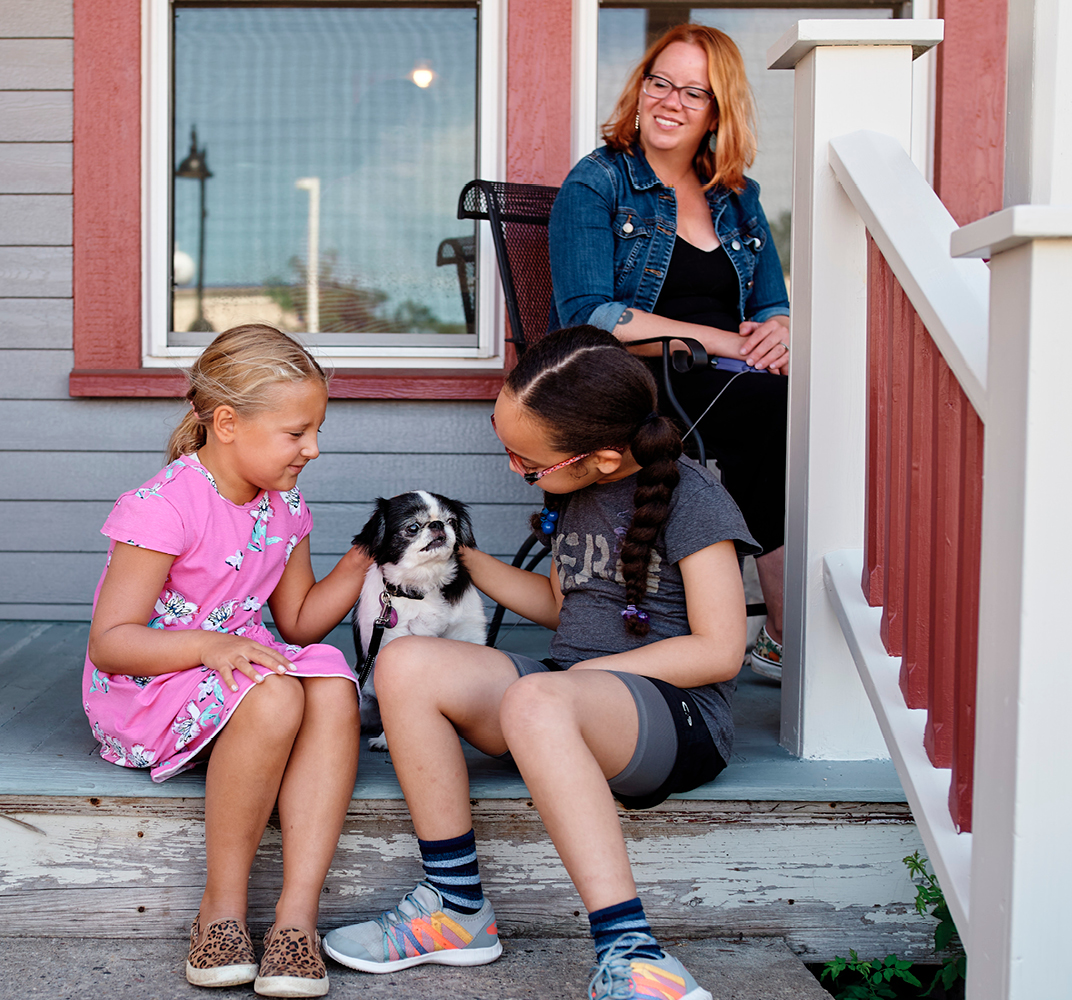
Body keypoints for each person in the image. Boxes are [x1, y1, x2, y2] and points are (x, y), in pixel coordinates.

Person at [323, 327, 759, 1000]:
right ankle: (455, 907)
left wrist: (581, 682)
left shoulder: (696, 499)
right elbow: (562, 607)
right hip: (562, 700)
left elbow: (721, 649)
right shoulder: (575, 490)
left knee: (540, 696)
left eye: (525, 461)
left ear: (605, 458)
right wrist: (459, 560)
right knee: (404, 663)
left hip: (672, 719)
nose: (512, 468)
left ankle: (633, 954)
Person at [83, 325, 371, 998]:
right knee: (274, 693)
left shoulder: (285, 504)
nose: (314, 449)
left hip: (239, 664)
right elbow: (112, 641)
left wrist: (361, 560)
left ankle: (297, 920)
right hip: (149, 686)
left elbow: (297, 619)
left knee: (330, 684)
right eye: (297, 433)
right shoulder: (163, 507)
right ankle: (221, 911)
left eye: (317, 430)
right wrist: (211, 646)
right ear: (228, 422)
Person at [549, 24, 790, 681]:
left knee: (800, 406)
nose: (671, 101)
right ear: (640, 88)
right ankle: (782, 630)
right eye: (661, 82)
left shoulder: (736, 197)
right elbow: (588, 315)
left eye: (694, 91)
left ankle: (778, 630)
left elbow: (770, 302)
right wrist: (720, 340)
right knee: (777, 409)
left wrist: (780, 332)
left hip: (726, 380)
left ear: (718, 110)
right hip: (631, 379)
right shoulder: (598, 183)